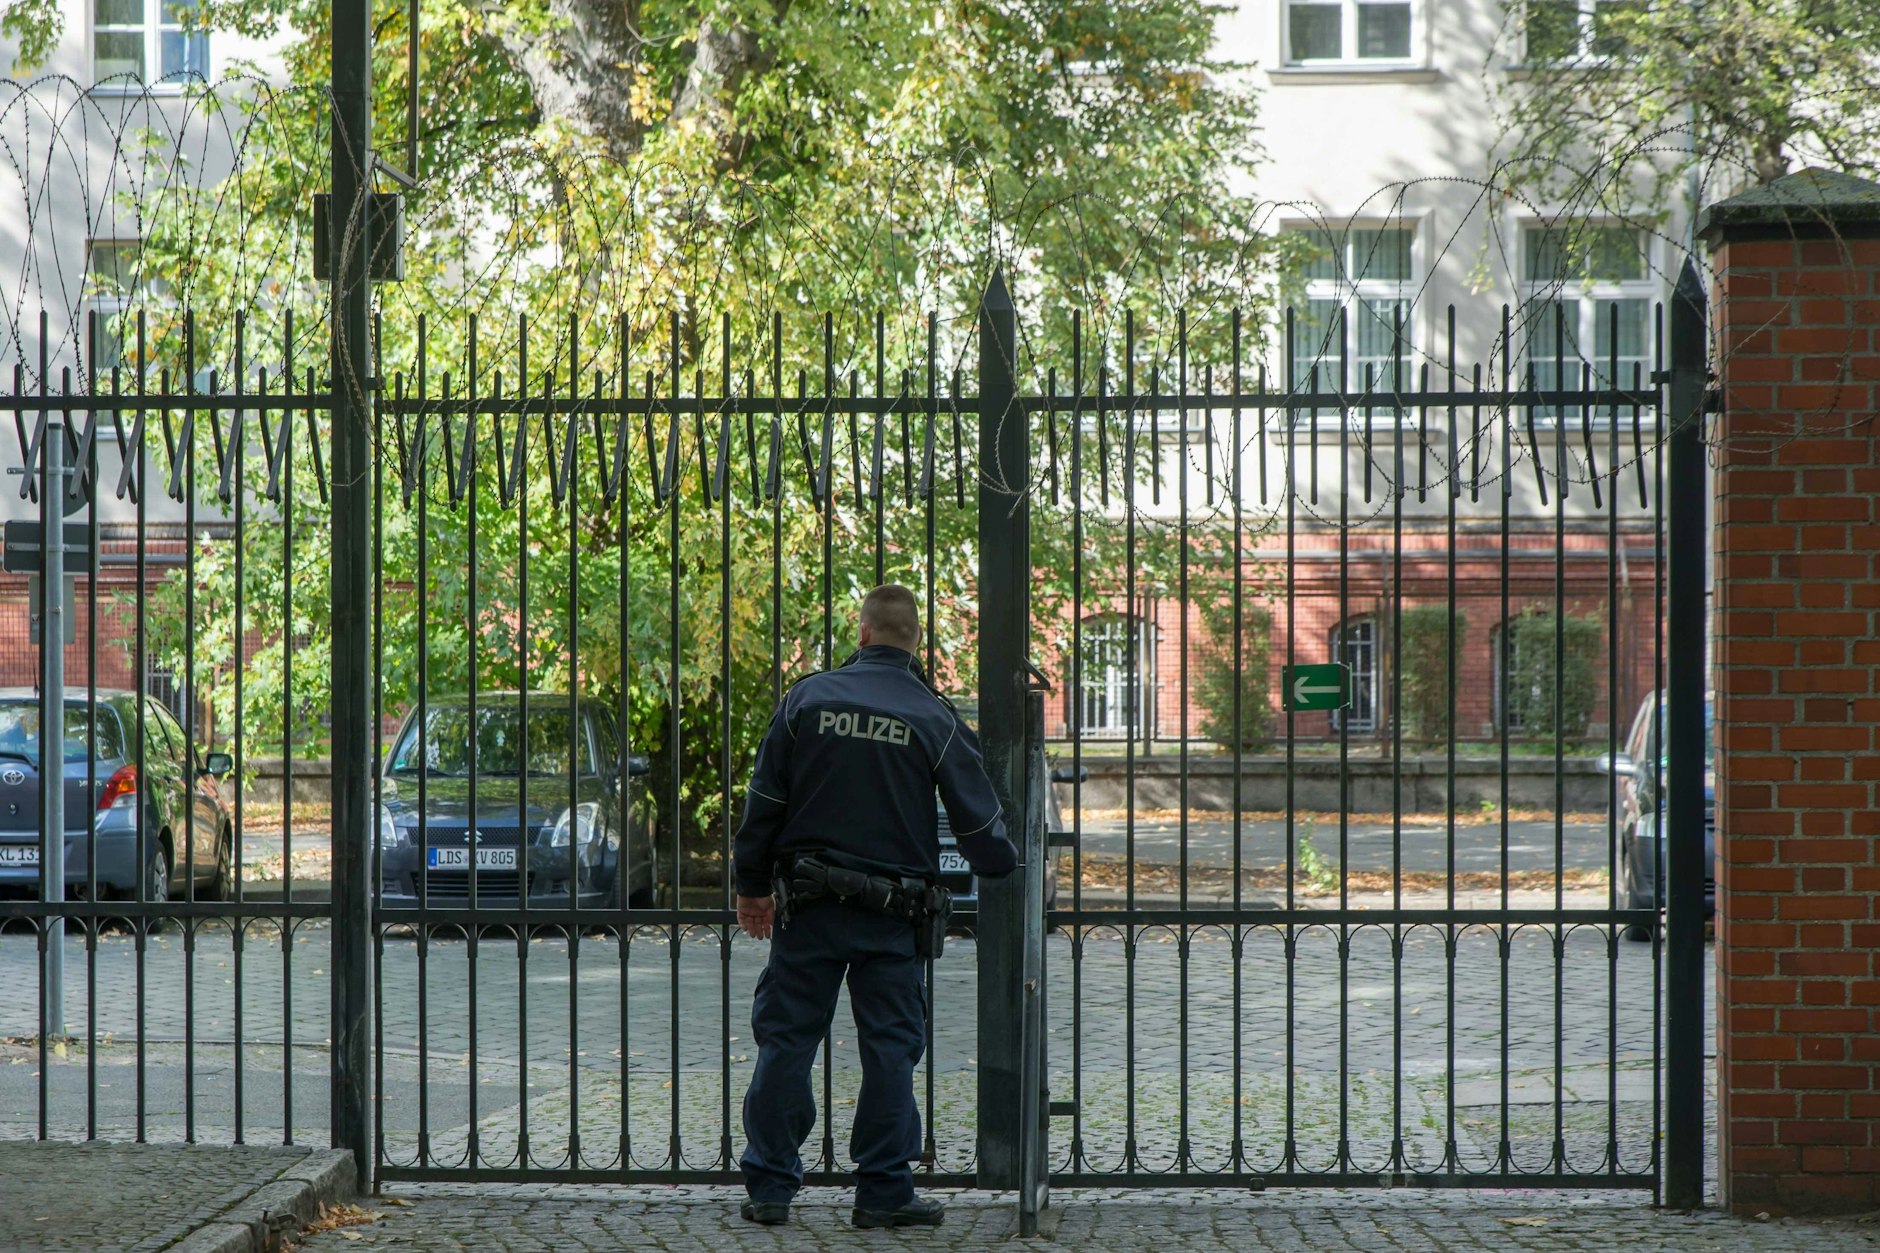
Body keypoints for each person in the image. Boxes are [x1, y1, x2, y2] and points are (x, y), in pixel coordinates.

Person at [732, 583, 1018, 1229]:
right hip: (892, 914)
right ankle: (884, 1191)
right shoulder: (932, 715)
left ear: (861, 633)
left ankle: (771, 1187)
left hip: (807, 907)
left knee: (787, 1041)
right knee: (889, 1048)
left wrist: (751, 885)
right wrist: (1003, 867)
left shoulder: (808, 697)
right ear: (915, 640)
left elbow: (765, 803)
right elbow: (979, 825)